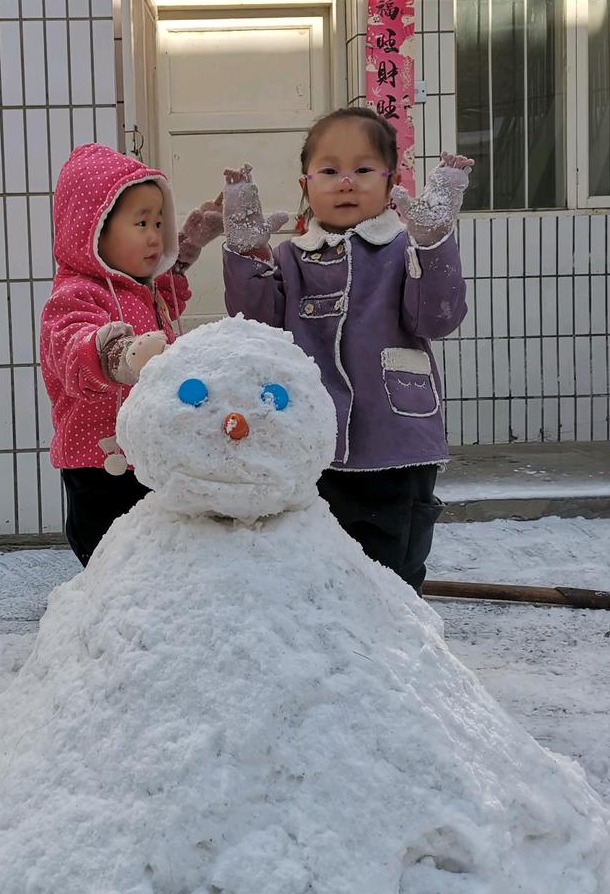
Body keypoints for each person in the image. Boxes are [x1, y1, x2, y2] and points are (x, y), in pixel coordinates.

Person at [218, 106, 472, 592]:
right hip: (311, 445)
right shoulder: (289, 257)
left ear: (392, 182)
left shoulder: (405, 248)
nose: (346, 182)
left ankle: (395, 634)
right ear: (305, 185)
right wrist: (247, 255)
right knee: (318, 570)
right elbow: (256, 325)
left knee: (394, 567)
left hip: (395, 441)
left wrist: (434, 242)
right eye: (330, 170)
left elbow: (437, 320)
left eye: (363, 169)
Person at [39, 143, 222, 566]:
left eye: (159, 222)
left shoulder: (139, 289)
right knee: (109, 552)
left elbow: (166, 307)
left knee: (152, 551)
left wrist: (185, 251)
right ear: (94, 230)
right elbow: (73, 349)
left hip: (148, 452)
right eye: (141, 223)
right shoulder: (76, 294)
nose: (155, 236)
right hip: (101, 460)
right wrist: (118, 356)